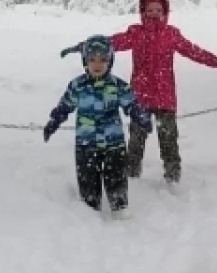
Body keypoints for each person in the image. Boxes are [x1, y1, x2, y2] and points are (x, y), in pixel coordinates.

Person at [60, 0, 217, 184]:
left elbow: (194, 51)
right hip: (140, 97)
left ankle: (173, 177)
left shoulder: (171, 34)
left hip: (165, 97)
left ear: (165, 12)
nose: (154, 14)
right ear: (143, 12)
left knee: (169, 140)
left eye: (158, 10)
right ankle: (132, 176)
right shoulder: (136, 33)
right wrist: (80, 46)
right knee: (136, 140)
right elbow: (108, 43)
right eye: (150, 10)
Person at [43, 35, 153, 214]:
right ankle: (90, 211)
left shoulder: (118, 86)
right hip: (86, 144)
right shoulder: (77, 86)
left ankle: (119, 209)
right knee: (88, 180)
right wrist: (54, 121)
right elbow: (65, 106)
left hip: (114, 143)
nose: (97, 64)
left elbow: (132, 104)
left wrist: (142, 117)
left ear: (110, 61)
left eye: (103, 59)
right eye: (92, 59)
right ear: (85, 61)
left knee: (116, 177)